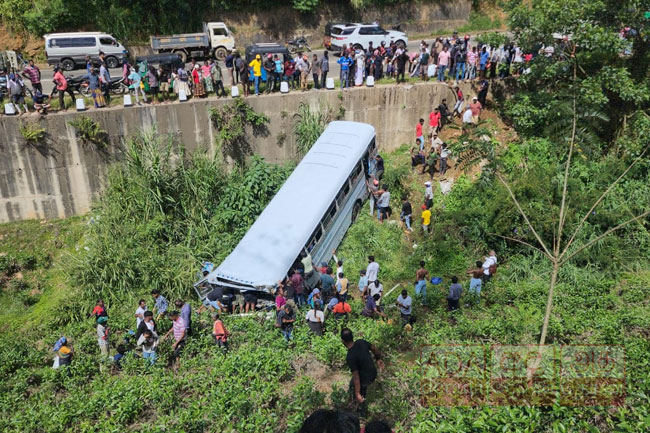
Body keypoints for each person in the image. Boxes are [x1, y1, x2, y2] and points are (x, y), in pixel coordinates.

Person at [341, 328, 384, 416]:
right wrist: (378, 358)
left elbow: (356, 377)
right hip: (373, 372)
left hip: (366, 378)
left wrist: (357, 393)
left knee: (354, 386)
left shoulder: (350, 356)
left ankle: (362, 410)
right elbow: (374, 348)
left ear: (343, 341)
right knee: (354, 382)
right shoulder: (361, 342)